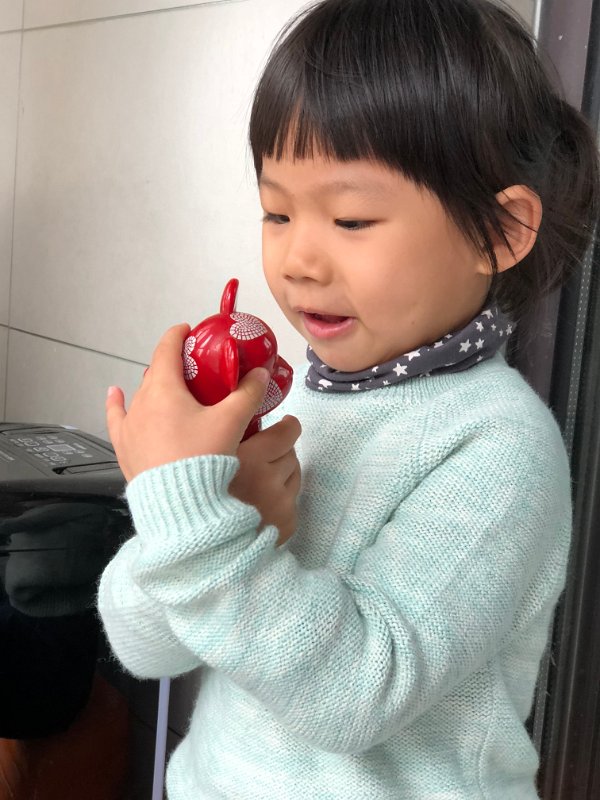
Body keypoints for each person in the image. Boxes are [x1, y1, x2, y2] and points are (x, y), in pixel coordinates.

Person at [97, 0, 600, 797]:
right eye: (277, 211)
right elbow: (146, 646)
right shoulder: (303, 401)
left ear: (500, 232)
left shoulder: (499, 446)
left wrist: (202, 531)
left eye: (353, 218)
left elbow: (359, 693)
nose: (298, 259)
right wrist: (203, 512)